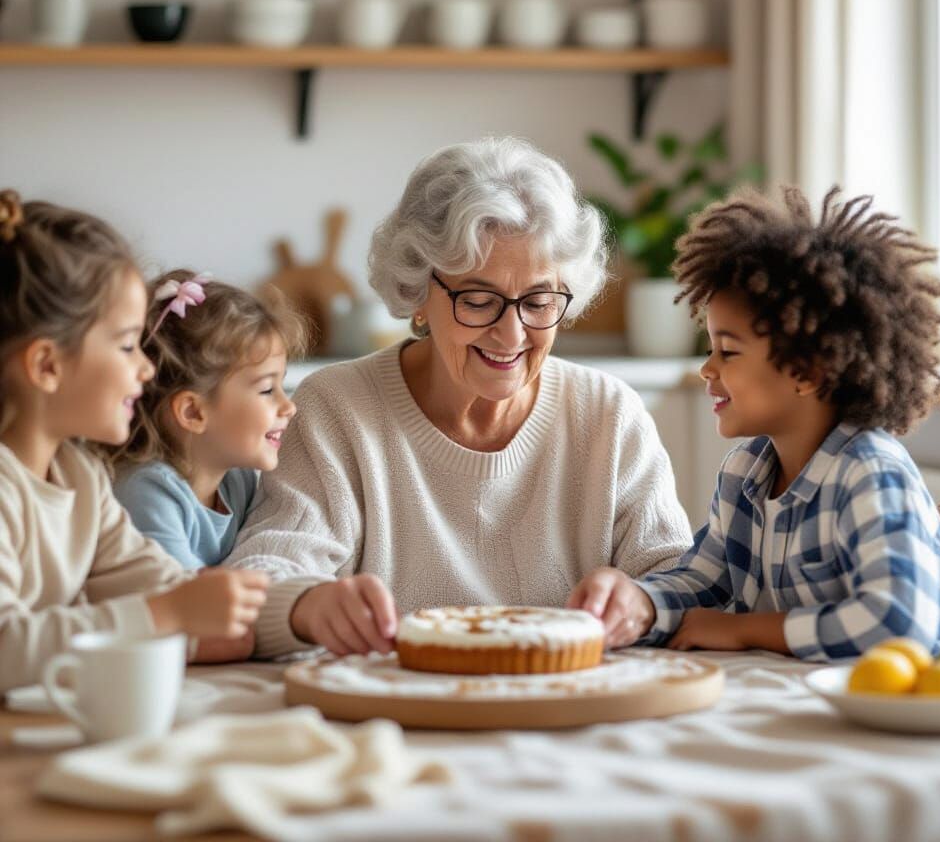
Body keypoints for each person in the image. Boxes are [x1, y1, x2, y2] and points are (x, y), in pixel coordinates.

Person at [228, 137, 694, 657]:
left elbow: (684, 583)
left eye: (538, 301)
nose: (512, 335)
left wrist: (643, 602)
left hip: (567, 712)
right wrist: (307, 606)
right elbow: (260, 578)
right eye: (478, 300)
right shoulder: (338, 408)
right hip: (398, 714)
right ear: (418, 294)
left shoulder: (608, 413)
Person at [568, 185, 940, 661]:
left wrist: (746, 631)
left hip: (916, 716)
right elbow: (706, 583)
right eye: (709, 349)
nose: (708, 369)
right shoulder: (744, 473)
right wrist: (638, 603)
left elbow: (898, 625)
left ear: (807, 370)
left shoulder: (871, 474)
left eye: (729, 351)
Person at [0, 191, 275, 691]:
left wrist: (292, 610)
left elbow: (159, 583)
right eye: (127, 345)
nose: (146, 369)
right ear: (47, 366)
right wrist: (167, 614)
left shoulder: (81, 476)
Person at [112, 271, 304, 570]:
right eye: (267, 389)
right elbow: (186, 599)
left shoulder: (237, 481)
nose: (288, 406)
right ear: (193, 412)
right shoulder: (146, 493)